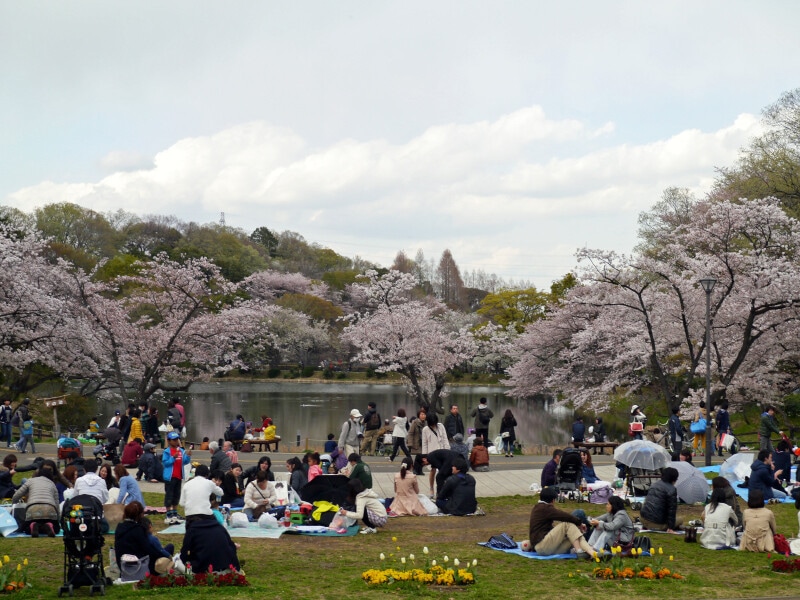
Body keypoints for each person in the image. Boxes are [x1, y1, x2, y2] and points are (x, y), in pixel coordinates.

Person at [523, 486, 597, 558]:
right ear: (553, 500)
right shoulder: (545, 508)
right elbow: (564, 516)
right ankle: (579, 551)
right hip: (542, 546)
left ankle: (591, 552)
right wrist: (579, 523)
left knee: (574, 535)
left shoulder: (538, 507)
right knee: (567, 524)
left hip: (544, 549)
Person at [115, 501, 167, 575]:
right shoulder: (138, 530)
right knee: (165, 553)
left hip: (123, 566)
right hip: (138, 567)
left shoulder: (119, 528)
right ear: (139, 515)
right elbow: (148, 549)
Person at [12, 460, 60, 537]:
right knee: (56, 529)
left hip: (32, 509)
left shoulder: (30, 481)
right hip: (49, 509)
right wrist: (57, 518)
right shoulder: (52, 484)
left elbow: (16, 495)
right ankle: (49, 525)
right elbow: (57, 503)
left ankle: (33, 525)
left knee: (26, 529)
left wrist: (14, 504)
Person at [639, 466, 681, 532]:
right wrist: (670, 528)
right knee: (680, 520)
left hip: (643, 519)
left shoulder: (653, 485)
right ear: (674, 479)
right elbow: (672, 511)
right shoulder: (672, 489)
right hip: (656, 524)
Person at [163, 430, 191, 525]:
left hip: (178, 476)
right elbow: (165, 463)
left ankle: (174, 514)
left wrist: (188, 456)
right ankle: (168, 514)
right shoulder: (167, 451)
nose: (176, 441)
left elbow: (185, 462)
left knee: (176, 495)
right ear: (169, 441)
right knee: (169, 496)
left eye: (177, 439)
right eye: (173, 440)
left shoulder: (181, 451)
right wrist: (173, 458)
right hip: (170, 477)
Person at [422, 412, 449, 490]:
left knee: (442, 472)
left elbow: (445, 439)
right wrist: (425, 456)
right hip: (432, 453)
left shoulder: (441, 426)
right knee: (432, 471)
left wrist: (447, 450)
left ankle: (441, 488)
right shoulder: (425, 430)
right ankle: (431, 488)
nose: (433, 425)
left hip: (442, 451)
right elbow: (424, 444)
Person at [406, 409, 426, 475]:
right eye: (421, 414)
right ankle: (415, 469)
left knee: (421, 457)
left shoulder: (425, 423)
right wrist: (410, 443)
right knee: (418, 456)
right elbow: (410, 433)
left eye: (424, 414)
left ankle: (419, 470)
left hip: (423, 442)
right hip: (416, 442)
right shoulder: (415, 422)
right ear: (418, 415)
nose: (423, 416)